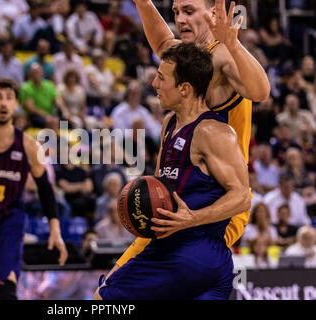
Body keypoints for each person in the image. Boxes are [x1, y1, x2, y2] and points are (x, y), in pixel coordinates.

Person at [115, 0, 271, 268]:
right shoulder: (186, 56)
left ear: (213, 13)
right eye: (176, 12)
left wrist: (233, 44)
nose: (180, 19)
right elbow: (164, 44)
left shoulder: (223, 56)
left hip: (218, 201)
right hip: (182, 197)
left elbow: (261, 93)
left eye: (189, 11)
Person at [94, 43, 250, 300]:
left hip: (192, 251)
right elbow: (161, 187)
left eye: (161, 78)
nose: (154, 84)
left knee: (103, 299)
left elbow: (242, 197)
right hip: (192, 259)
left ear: (184, 89)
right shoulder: (169, 123)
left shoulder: (213, 132)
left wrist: (193, 218)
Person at [0, 78, 68, 300]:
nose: (3, 104)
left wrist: (55, 230)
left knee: (6, 288)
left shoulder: (28, 145)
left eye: (9, 98)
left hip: (7, 220)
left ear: (16, 104)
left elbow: (45, 189)